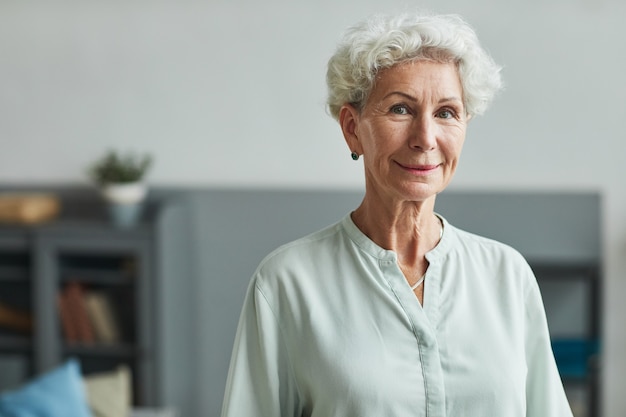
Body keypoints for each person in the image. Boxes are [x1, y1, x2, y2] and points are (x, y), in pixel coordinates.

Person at [221, 11, 573, 417]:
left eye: (446, 113)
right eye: (400, 110)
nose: (425, 139)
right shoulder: (286, 283)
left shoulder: (507, 276)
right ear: (353, 128)